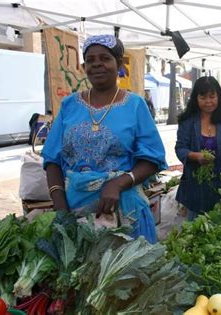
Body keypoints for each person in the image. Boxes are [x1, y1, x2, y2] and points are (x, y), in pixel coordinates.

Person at [42, 34, 167, 244]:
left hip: (124, 209)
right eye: (90, 60)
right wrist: (61, 208)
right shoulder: (69, 105)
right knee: (79, 274)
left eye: (105, 58)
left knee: (123, 274)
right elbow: (52, 160)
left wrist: (118, 184)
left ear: (118, 63)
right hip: (75, 209)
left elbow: (153, 159)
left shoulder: (135, 105)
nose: (97, 64)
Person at [175, 76, 221, 220]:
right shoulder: (187, 121)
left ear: (218, 96)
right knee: (195, 227)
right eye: (203, 97)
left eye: (212, 97)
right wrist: (195, 156)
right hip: (195, 186)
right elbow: (180, 148)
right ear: (196, 98)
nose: (208, 102)